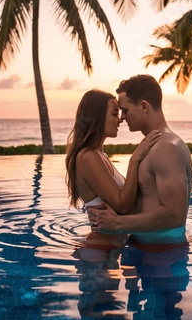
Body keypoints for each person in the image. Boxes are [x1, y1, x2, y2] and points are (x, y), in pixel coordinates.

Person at [88, 74, 192, 245]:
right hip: (145, 250)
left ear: (144, 106)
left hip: (163, 257)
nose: (122, 117)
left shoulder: (168, 148)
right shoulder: (153, 145)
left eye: (125, 110)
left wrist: (117, 223)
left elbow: (175, 215)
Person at [65, 89, 161, 249]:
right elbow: (123, 206)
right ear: (97, 116)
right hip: (98, 253)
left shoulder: (99, 155)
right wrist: (134, 160)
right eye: (114, 114)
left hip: (110, 248)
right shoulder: (88, 157)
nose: (120, 119)